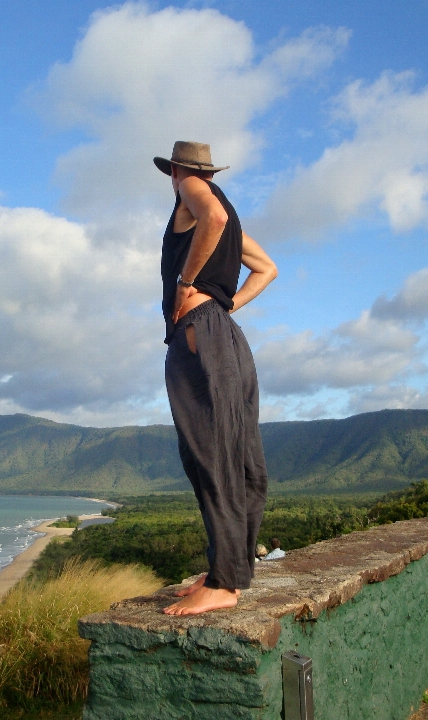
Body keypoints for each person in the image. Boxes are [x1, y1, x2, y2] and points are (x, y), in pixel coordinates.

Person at [155, 141, 277, 616]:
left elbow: (216, 221)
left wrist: (188, 286)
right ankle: (231, 568)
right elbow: (268, 268)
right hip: (227, 336)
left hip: (202, 336)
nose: (176, 179)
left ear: (179, 170)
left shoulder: (192, 190)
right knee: (239, 456)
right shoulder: (225, 207)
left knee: (209, 456)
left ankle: (225, 582)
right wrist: (226, 305)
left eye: (176, 172)